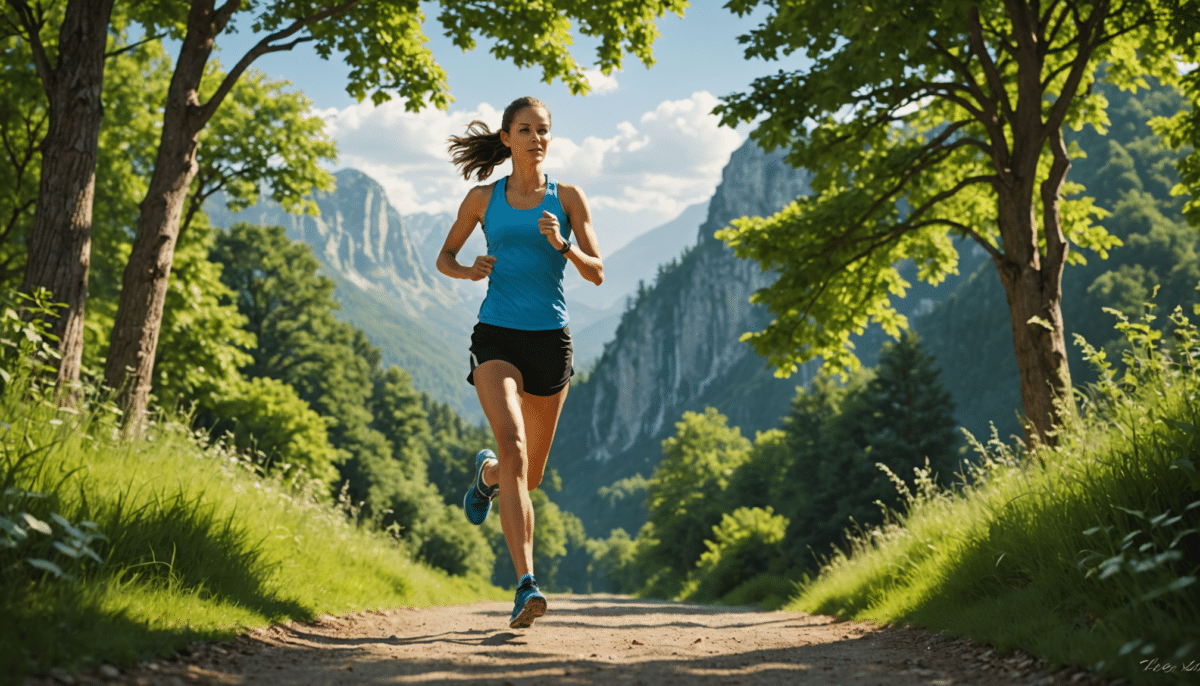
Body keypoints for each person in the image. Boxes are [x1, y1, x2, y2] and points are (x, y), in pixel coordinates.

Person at [436, 96, 603, 629]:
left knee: (522, 477)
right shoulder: (484, 198)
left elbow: (597, 272)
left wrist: (563, 246)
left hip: (551, 342)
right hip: (497, 337)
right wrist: (469, 272)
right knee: (513, 445)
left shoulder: (569, 197)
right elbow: (446, 257)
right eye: (526, 130)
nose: (536, 138)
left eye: (544, 130)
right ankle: (526, 584)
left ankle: (485, 478)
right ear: (506, 138)